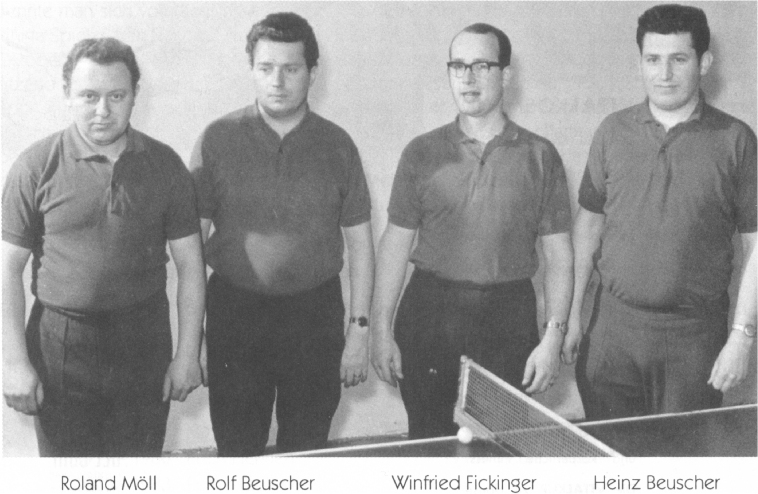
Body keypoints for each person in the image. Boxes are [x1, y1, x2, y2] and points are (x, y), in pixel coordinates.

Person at [2, 38, 206, 457]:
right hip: (60, 345)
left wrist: (188, 354)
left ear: (134, 96)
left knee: (137, 473)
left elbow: (190, 266)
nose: (102, 110)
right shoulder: (35, 166)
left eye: (116, 96)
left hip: (143, 343)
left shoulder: (165, 165)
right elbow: (6, 269)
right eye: (89, 96)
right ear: (67, 95)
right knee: (67, 478)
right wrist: (13, 362)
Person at [370, 23, 573, 439]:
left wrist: (553, 338)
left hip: (507, 318)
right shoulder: (421, 152)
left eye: (482, 66)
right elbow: (394, 246)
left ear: (506, 75)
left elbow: (560, 257)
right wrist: (380, 329)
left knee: (498, 449)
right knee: (430, 445)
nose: (468, 78)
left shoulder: (540, 155)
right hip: (430, 315)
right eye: (458, 66)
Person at [190, 12, 374, 456]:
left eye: (291, 68)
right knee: (237, 451)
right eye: (266, 67)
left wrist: (359, 331)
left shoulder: (337, 145)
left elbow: (361, 246)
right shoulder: (217, 139)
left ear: (312, 72)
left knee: (306, 450)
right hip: (235, 314)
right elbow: (189, 250)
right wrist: (193, 337)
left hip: (314, 317)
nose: (277, 81)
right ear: (251, 69)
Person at [564, 4, 757, 420]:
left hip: (693, 337)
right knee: (608, 454)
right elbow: (588, 226)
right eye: (652, 59)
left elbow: (756, 244)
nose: (664, 74)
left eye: (678, 59)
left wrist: (742, 337)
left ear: (704, 63)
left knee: (682, 456)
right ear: (641, 62)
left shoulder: (736, 140)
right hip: (612, 331)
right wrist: (571, 315)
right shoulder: (612, 131)